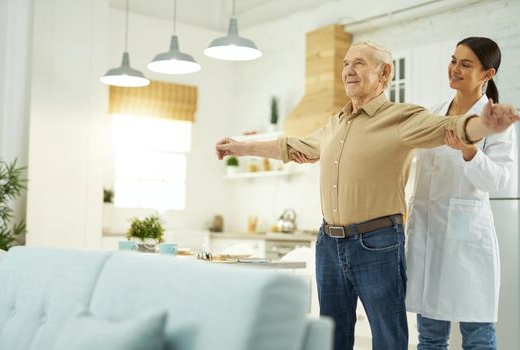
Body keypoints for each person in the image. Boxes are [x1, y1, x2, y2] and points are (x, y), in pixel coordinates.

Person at [215, 41, 519, 350]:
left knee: (391, 338)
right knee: (334, 337)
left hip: (377, 242)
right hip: (330, 244)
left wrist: (485, 124)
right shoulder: (336, 123)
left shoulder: (403, 117)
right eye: (345, 63)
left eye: (358, 63)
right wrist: (240, 147)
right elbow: (294, 146)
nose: (348, 70)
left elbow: (452, 127)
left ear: (384, 72)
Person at [405, 37, 515, 350]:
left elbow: (500, 181)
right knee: (430, 338)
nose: (454, 68)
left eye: (465, 64)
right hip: (427, 234)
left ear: (487, 74)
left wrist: (470, 152)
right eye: (453, 60)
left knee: (478, 338)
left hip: (466, 239)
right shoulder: (435, 113)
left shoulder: (496, 122)